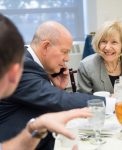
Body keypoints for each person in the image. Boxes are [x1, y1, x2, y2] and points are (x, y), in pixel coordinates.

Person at [0, 20, 105, 150]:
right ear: (46, 46)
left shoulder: (30, 62)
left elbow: (42, 101)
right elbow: (58, 100)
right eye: (65, 51)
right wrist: (115, 102)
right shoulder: (23, 65)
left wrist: (56, 88)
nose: (67, 58)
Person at [77, 20, 122, 94]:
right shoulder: (86, 66)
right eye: (103, 41)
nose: (107, 47)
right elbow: (84, 99)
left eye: (114, 42)